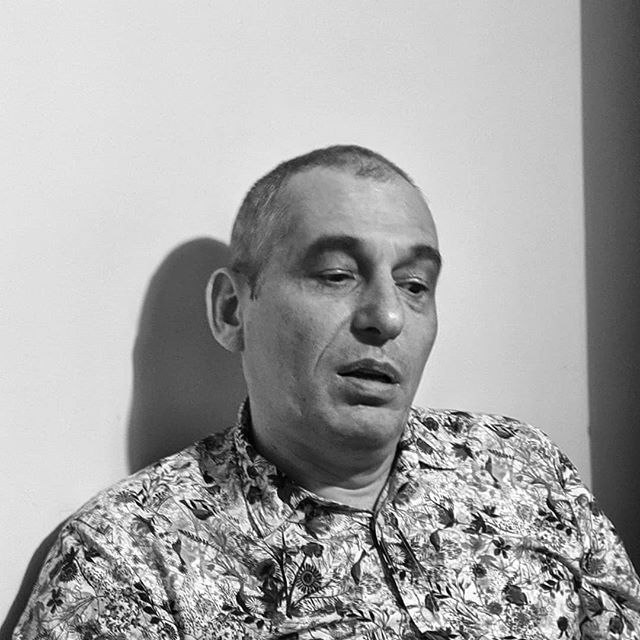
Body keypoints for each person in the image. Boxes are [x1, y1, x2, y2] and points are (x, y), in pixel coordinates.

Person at [13, 145, 640, 640]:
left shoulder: (520, 465)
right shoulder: (128, 562)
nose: (387, 316)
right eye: (337, 275)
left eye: (415, 285)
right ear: (232, 310)